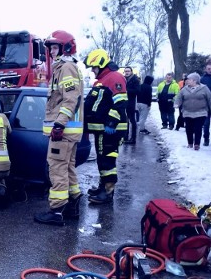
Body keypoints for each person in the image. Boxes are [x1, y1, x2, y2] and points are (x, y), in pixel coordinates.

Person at [33, 30, 84, 226]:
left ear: (66, 47)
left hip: (63, 131)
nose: (52, 52)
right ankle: (73, 203)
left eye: (55, 47)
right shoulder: (67, 67)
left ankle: (56, 211)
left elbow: (70, 99)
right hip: (70, 131)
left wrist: (59, 124)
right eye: (51, 48)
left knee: (57, 169)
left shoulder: (66, 68)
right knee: (68, 168)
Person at [82, 48, 128, 205]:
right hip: (102, 130)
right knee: (102, 160)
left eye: (93, 68)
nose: (93, 71)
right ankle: (103, 187)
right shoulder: (104, 79)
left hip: (111, 130)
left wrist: (111, 122)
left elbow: (121, 102)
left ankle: (108, 192)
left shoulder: (114, 77)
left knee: (107, 161)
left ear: (101, 64)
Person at [174, 72, 211, 150]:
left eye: (189, 79)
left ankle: (197, 144)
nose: (187, 81)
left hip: (200, 112)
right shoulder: (184, 89)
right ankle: (190, 143)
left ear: (195, 80)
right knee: (188, 128)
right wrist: (177, 104)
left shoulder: (204, 88)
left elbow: (210, 99)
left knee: (198, 128)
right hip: (187, 112)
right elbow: (179, 97)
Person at [124, 67, 140, 144]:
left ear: (131, 72)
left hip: (131, 102)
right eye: (125, 71)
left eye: (128, 71)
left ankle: (133, 138)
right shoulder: (124, 79)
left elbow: (137, 90)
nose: (127, 72)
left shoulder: (135, 80)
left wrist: (127, 91)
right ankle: (125, 136)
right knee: (125, 120)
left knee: (132, 120)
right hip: (124, 101)